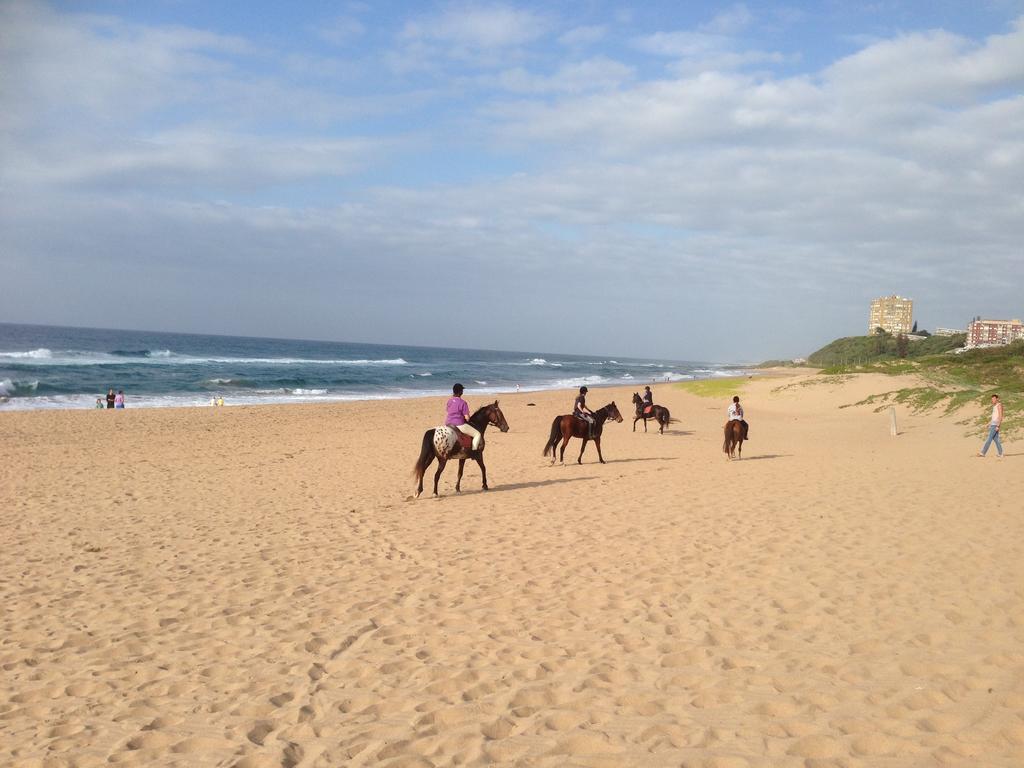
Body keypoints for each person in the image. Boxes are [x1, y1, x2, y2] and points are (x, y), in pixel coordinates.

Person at [446, 383, 481, 450]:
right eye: (462, 390)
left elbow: (448, 411)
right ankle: (474, 451)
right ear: (460, 392)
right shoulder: (463, 403)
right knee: (477, 434)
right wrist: (467, 418)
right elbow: (467, 418)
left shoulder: (449, 401)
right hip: (459, 425)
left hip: (448, 424)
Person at [977, 394, 1003, 459]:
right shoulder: (994, 406)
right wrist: (989, 423)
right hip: (993, 424)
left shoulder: (999, 405)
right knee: (996, 440)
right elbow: (994, 417)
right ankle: (1001, 453)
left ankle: (983, 452)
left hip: (995, 425)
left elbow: (1000, 416)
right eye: (992, 399)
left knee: (989, 438)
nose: (993, 400)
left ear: (997, 399)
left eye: (994, 399)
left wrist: (998, 425)